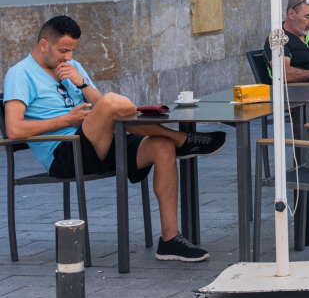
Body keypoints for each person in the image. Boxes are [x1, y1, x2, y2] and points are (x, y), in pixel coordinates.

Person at [3, 16, 225, 262]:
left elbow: (107, 109)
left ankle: (170, 240)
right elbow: (14, 130)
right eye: (63, 51)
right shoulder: (20, 74)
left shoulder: (72, 67)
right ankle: (181, 138)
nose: (68, 57)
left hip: (98, 139)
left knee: (161, 146)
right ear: (44, 44)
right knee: (112, 102)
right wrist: (66, 120)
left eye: (72, 51)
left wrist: (82, 83)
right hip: (65, 152)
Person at [266, 0, 309, 84]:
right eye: (308, 16)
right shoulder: (279, 38)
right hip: (303, 90)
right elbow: (283, 74)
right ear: (292, 14)